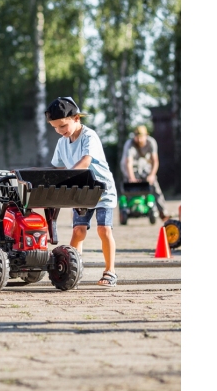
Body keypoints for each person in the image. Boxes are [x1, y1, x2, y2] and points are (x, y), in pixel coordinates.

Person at [45, 96, 118, 287]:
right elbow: (56, 168)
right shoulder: (62, 143)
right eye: (55, 128)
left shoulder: (89, 136)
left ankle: (110, 271)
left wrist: (68, 177)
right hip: (81, 192)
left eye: (62, 126)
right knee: (78, 231)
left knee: (104, 229)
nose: (59, 131)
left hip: (102, 190)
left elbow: (86, 161)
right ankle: (72, 270)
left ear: (76, 118)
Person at [120, 125, 169, 220]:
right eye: (137, 137)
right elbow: (128, 163)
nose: (139, 140)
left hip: (144, 167)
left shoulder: (151, 142)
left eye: (141, 137)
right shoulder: (129, 144)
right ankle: (129, 207)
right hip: (130, 168)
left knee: (155, 186)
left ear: (146, 136)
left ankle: (162, 212)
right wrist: (131, 178)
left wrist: (152, 175)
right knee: (129, 187)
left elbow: (155, 161)